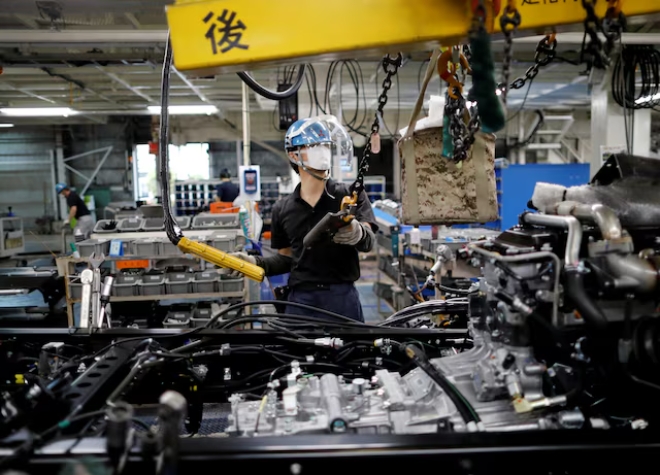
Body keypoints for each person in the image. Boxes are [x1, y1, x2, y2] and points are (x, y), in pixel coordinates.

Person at [233, 116, 376, 322]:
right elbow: (285, 259)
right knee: (295, 345)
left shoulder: (351, 195)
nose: (323, 150)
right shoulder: (282, 209)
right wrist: (253, 262)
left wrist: (358, 233)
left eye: (325, 145)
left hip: (342, 299)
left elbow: (369, 241)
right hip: (300, 301)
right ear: (294, 154)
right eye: (314, 145)